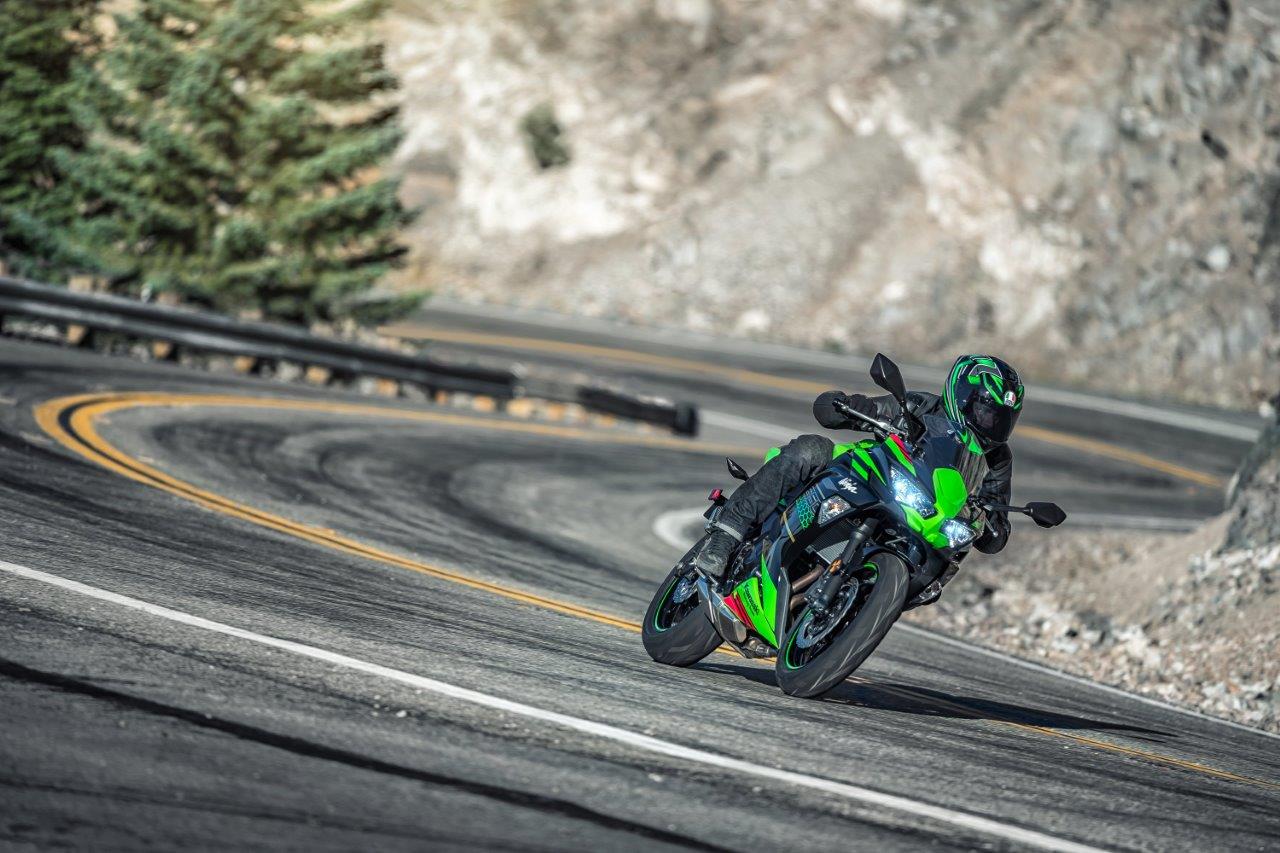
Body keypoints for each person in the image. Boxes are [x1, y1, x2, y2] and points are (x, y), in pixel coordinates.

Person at [692, 354, 1024, 579]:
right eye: (986, 411)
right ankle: (726, 536)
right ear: (961, 395)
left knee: (947, 555)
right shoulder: (919, 405)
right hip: (870, 474)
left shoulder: (997, 459)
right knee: (810, 449)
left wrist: (988, 524)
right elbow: (838, 411)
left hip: (925, 519)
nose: (991, 423)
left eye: (1001, 418)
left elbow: (997, 527)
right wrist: (848, 406)